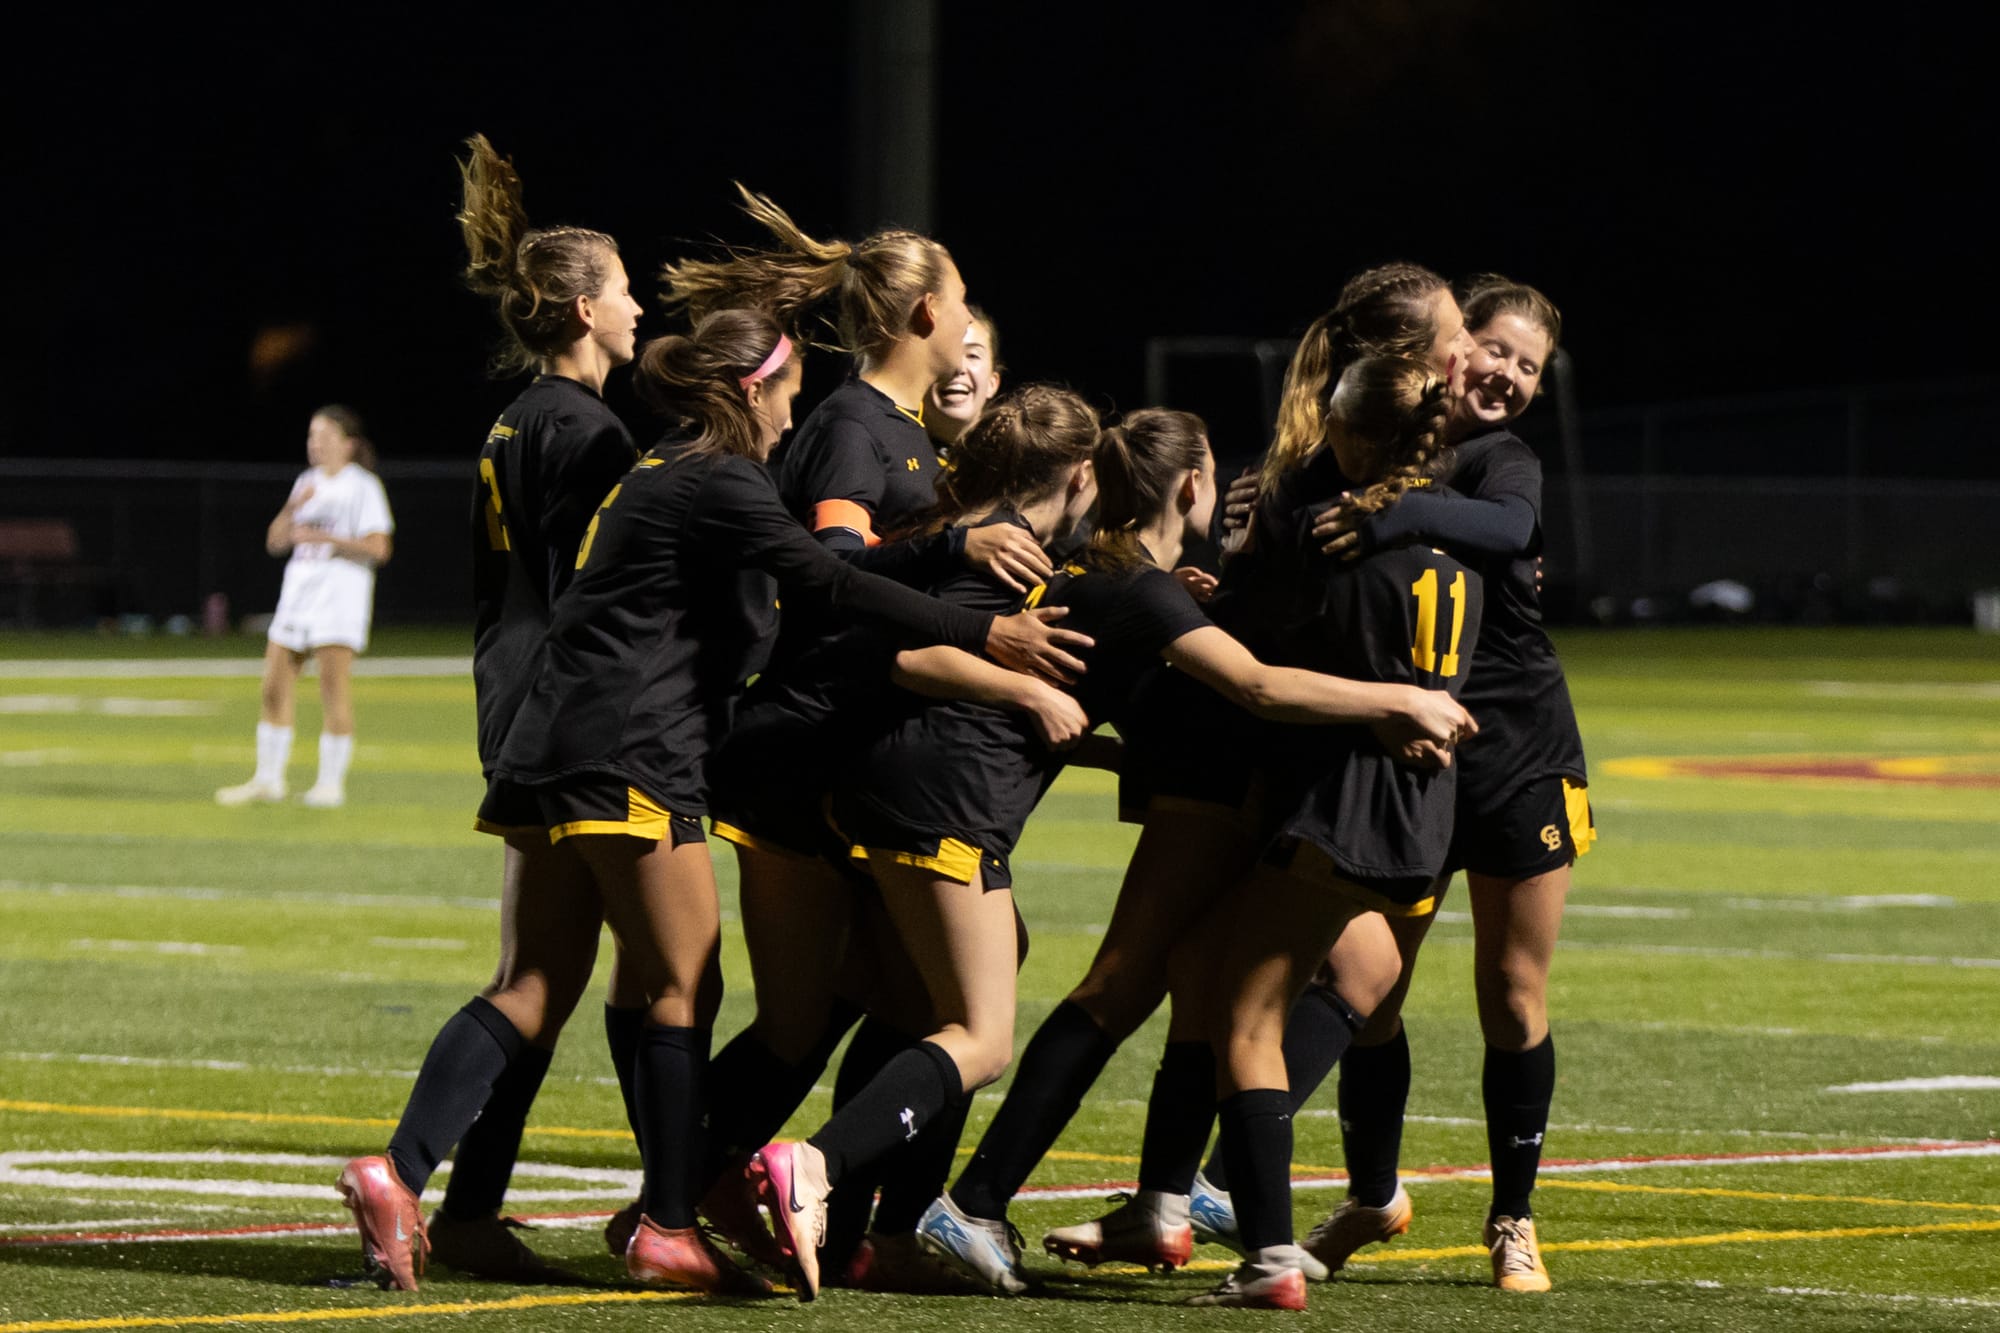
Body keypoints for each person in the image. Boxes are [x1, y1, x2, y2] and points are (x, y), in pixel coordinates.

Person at [745, 394, 1476, 1302]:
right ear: (1193, 485)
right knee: (988, 1031)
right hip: (950, 799)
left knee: (939, 998)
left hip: (915, 788)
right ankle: (831, 1170)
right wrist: (1399, 700)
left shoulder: (1104, 574)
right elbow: (1255, 686)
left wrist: (1092, 730)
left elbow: (938, 658)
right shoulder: (1134, 585)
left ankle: (901, 1226)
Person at [488, 307, 1089, 1294]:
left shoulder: (919, 461)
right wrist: (993, 645)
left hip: (820, 769)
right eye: (963, 342)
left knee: (882, 996)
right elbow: (837, 591)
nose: (972, 372)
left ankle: (796, 1213)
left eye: (989, 356)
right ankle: (697, 1199)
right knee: (797, 1009)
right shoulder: (857, 432)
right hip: (785, 765)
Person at [939, 263, 1471, 1271]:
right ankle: (981, 1198)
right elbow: (1266, 662)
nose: (1466, 353)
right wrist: (1390, 698)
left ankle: (1170, 1198)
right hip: (1229, 763)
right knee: (1131, 979)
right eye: (1453, 336)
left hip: (1271, 764)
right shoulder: (1319, 475)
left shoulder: (1348, 473)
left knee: (1263, 976)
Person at [333, 133, 641, 1290]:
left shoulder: (516, 418)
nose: (639, 304)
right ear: (581, 309)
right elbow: (591, 594)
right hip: (576, 722)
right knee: (655, 979)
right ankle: (673, 1199)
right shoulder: (589, 431)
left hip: (516, 713)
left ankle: (454, 1205)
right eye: (623, 288)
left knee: (538, 980)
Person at [1297, 276, 1592, 1293]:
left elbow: (1509, 530)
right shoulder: (1387, 436)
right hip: (1412, 756)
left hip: (1516, 757)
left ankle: (1513, 1216)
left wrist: (1393, 516)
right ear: (1455, 345)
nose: (1505, 373)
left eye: (1528, 366)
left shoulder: (1501, 460)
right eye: (1495, 347)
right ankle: (1372, 1195)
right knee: (1365, 987)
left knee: (1511, 992)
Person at [1189, 355, 1481, 1310]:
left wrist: (1224, 578)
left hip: (1344, 797)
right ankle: (1353, 1195)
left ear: (1354, 433)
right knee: (1359, 979)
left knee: (1245, 1019)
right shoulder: (1456, 534)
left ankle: (1268, 1254)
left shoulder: (1341, 534)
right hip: (1424, 811)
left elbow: (1273, 670)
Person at [215, 405, 392, 810]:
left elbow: (379, 547)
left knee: (333, 691)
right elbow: (276, 542)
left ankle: (330, 785)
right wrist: (293, 509)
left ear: (348, 444)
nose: (316, 444)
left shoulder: (362, 486)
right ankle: (268, 780)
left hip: (339, 598)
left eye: (325, 436)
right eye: (312, 436)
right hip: (298, 598)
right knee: (272, 688)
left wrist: (327, 539)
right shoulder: (306, 482)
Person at [924, 305, 1003, 448]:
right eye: (944, 353)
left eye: (973, 355)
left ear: (992, 383)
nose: (958, 367)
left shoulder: (1012, 456)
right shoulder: (890, 447)